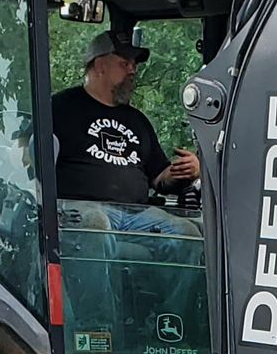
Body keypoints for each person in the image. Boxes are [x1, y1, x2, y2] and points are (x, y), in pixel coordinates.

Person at [51, 33, 199, 223]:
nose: (133, 70)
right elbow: (25, 154)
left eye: (134, 65)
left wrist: (185, 169)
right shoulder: (60, 107)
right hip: (81, 211)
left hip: (137, 214)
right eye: (125, 63)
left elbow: (159, 177)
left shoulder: (138, 121)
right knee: (96, 221)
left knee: (186, 232)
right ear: (100, 65)